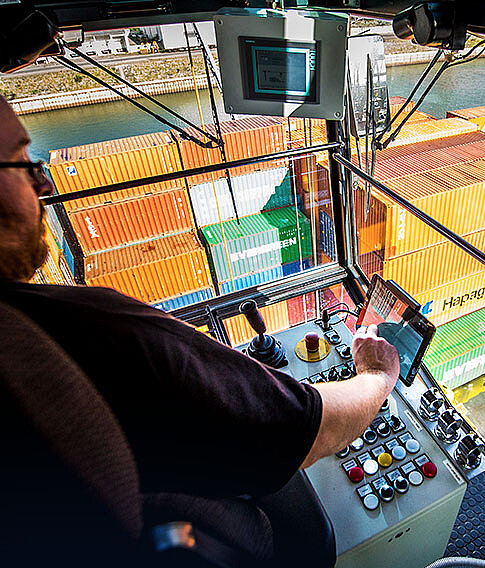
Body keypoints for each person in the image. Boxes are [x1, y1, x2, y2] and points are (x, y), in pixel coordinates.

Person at [0, 95, 400, 560]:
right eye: (19, 163)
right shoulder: (94, 326)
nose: (45, 184)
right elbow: (307, 428)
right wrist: (376, 378)